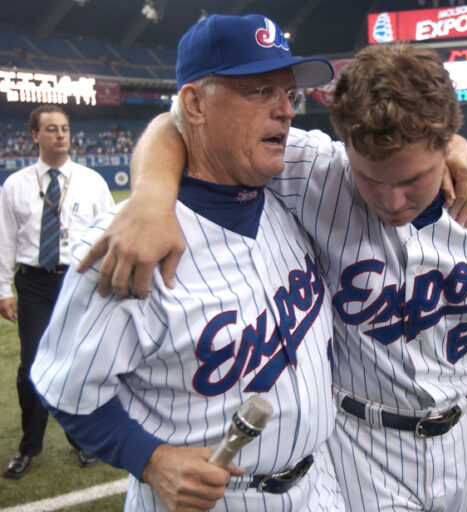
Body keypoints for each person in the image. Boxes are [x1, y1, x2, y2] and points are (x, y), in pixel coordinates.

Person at [77, 43, 467, 511]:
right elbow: (179, 121)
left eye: (412, 180)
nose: (390, 201)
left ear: (446, 142)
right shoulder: (315, 171)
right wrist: (150, 192)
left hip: (464, 428)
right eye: (371, 179)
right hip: (355, 439)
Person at [31, 14, 347, 511]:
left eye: (289, 94)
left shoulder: (291, 196)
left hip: (320, 487)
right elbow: (66, 386)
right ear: (196, 104)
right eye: (261, 90)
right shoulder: (127, 244)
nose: (285, 111)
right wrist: (151, 459)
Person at [0, 105, 113, 479]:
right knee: (32, 365)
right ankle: (28, 446)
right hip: (32, 283)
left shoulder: (92, 181)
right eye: (51, 129)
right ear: (35, 136)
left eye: (64, 128)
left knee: (79, 363)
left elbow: (110, 231)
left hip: (78, 280)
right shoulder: (15, 185)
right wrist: (4, 289)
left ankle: (82, 440)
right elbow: (5, 241)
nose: (61, 135)